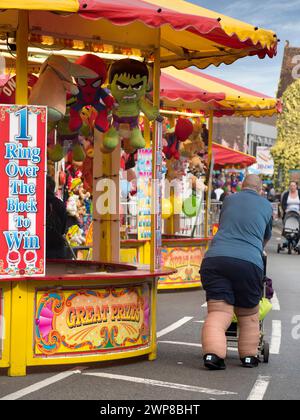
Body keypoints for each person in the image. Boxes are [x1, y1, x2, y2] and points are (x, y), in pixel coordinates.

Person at [199, 175, 273, 370]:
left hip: (215, 259)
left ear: (242, 186)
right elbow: (265, 238)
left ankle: (213, 355)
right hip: (248, 262)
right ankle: (249, 357)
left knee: (219, 312)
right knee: (248, 315)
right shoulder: (266, 206)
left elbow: (225, 224)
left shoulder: (229, 199)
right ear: (260, 190)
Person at [46, 175, 68, 259]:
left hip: (37, 246)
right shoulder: (59, 204)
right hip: (56, 248)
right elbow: (63, 229)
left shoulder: (33, 203)